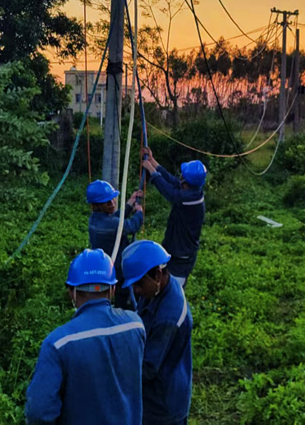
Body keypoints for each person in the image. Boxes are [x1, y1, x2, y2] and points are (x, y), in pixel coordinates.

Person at [25, 249, 146, 425]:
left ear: (71, 292)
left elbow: (39, 412)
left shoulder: (59, 343)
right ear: (112, 289)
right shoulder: (135, 325)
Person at [121, 240, 193, 425]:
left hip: (163, 402)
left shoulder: (168, 317)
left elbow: (148, 369)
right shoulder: (156, 290)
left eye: (138, 284)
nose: (135, 291)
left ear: (158, 275)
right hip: (153, 394)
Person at [140, 149, 207, 288]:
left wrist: (151, 171)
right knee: (164, 284)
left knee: (173, 291)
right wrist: (153, 162)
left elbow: (169, 192)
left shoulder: (187, 199)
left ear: (186, 179)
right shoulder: (193, 190)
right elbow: (173, 181)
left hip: (181, 257)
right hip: (176, 251)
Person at [87, 179, 144, 308]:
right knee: (125, 297)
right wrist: (139, 213)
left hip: (106, 266)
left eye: (113, 199)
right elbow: (130, 226)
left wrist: (130, 202)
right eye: (108, 202)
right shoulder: (111, 224)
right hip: (117, 268)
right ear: (97, 205)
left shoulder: (95, 219)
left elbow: (116, 219)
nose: (113, 203)